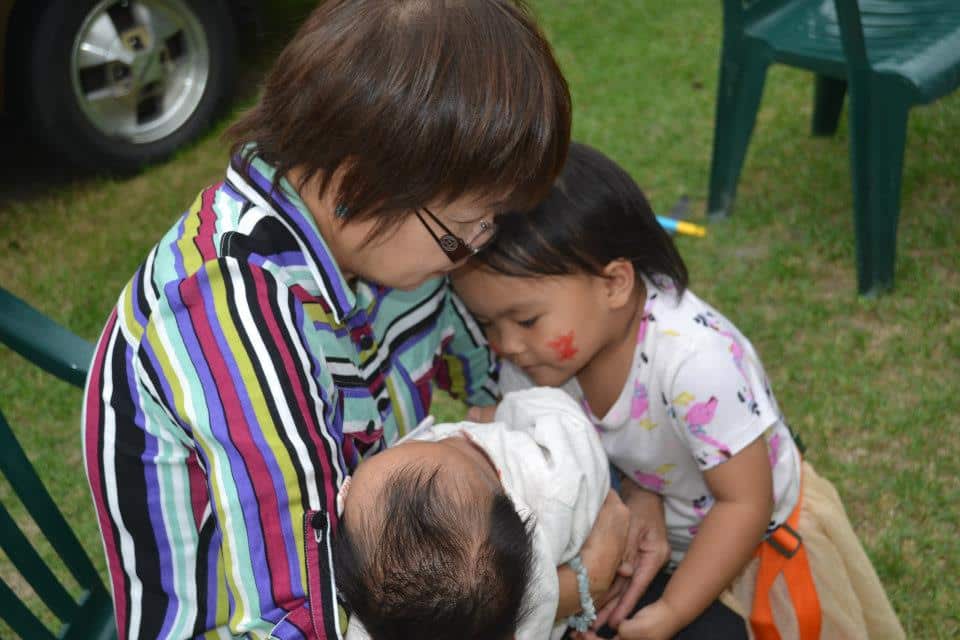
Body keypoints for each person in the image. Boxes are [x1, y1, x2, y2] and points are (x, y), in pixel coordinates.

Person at [81, 2, 586, 638]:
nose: (480, 247)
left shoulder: (393, 246)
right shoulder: (235, 321)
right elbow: (302, 618)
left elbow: (492, 377)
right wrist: (563, 591)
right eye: (465, 230)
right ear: (360, 185)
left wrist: (592, 486)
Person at [453, 142, 906, 640]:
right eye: (487, 323)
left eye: (525, 319)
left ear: (615, 284)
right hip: (663, 530)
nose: (505, 344)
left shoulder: (696, 363)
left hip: (752, 547)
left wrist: (670, 612)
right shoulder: (540, 358)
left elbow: (745, 506)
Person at [334, 387, 616, 640]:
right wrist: (503, 411)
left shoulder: (383, 616)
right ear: (503, 489)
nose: (447, 436)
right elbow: (569, 422)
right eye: (442, 443)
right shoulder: (553, 484)